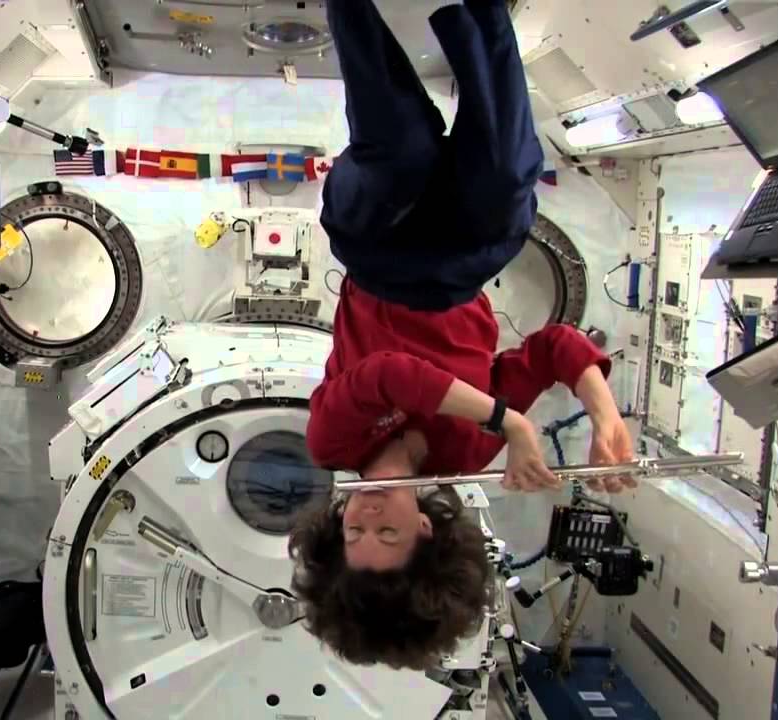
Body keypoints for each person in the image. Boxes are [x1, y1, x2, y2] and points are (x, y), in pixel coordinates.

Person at [288, 0, 637, 672]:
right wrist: (605, 417)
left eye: (356, 531)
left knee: (400, 154)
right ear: (425, 529)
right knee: (508, 173)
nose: (369, 514)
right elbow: (554, 348)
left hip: (375, 251)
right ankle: (481, 10)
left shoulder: (333, 442)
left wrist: (511, 422)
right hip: (461, 266)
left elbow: (390, 375)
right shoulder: (467, 450)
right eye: (388, 531)